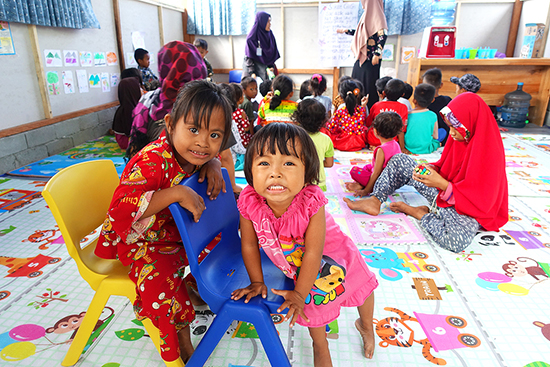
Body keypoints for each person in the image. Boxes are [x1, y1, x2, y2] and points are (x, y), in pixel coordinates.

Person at [95, 80, 233, 363]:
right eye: (193, 130)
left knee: (220, 240)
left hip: (172, 234)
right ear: (170, 124)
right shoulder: (152, 160)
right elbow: (120, 210)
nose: (203, 143)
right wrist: (176, 193)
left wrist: (214, 163)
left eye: (215, 135)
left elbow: (210, 155)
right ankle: (180, 338)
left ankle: (194, 287)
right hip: (140, 242)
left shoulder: (195, 155)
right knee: (161, 283)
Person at [232, 123, 378, 366]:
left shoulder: (311, 200)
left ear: (307, 172)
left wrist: (298, 294)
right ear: (249, 170)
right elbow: (248, 245)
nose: (275, 173)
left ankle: (366, 324)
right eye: (264, 163)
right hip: (296, 263)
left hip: (334, 253)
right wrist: (257, 282)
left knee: (363, 286)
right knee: (314, 307)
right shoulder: (249, 200)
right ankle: (320, 344)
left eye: (288, 163)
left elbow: (314, 251)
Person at [344, 92, 508, 253]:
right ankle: (375, 200)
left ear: (471, 124)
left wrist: (442, 184)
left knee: (456, 240)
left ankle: (419, 213)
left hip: (464, 208)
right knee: (399, 160)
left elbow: (482, 201)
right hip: (443, 194)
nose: (451, 133)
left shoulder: (489, 151)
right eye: (450, 127)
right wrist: (433, 169)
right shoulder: (460, 138)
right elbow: (445, 165)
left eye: (455, 128)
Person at [337, 0, 388, 110]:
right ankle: (353, 109)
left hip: (370, 61)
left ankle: (367, 112)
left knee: (368, 87)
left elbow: (383, 35)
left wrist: (377, 54)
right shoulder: (366, 16)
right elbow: (362, 34)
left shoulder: (378, 16)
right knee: (356, 83)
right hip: (361, 59)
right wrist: (346, 31)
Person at [346, 112, 402, 197]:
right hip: (393, 183)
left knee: (354, 170)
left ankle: (364, 186)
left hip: (382, 183)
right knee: (368, 167)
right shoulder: (396, 144)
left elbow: (376, 173)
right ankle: (365, 184)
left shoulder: (381, 150)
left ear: (375, 131)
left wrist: (366, 191)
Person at [292, 99, 334, 191]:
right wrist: (316, 163)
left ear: (298, 117)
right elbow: (329, 163)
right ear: (323, 120)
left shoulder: (293, 138)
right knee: (318, 205)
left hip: (297, 182)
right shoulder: (326, 139)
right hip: (318, 183)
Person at [366, 78, 408, 151]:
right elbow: (401, 130)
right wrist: (402, 148)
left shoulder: (376, 105)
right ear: (402, 95)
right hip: (391, 141)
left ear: (384, 92)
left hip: (373, 140)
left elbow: (368, 123)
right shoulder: (403, 107)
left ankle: (377, 148)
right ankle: (385, 148)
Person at [326, 79, 368, 151]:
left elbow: (332, 129)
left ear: (341, 96)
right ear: (357, 94)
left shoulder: (340, 111)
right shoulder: (362, 109)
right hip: (359, 142)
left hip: (343, 142)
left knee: (325, 130)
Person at [243, 11, 280, 83]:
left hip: (266, 69)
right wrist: (252, 73)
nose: (270, 24)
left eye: (270, 21)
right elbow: (248, 57)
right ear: (262, 22)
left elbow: (272, 53)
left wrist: (271, 66)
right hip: (252, 68)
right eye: (268, 22)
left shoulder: (270, 35)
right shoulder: (251, 38)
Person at [404, 83, 440, 154]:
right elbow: (435, 136)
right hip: (425, 149)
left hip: (408, 148)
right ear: (432, 100)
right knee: (437, 142)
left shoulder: (406, 114)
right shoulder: (433, 115)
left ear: (414, 100)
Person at [423, 68, 452, 145]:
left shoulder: (422, 104)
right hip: (446, 141)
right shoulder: (448, 100)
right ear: (441, 85)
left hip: (427, 142)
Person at [112, 76, 141, 150]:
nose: (141, 90)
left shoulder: (131, 107)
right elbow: (130, 131)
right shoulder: (128, 110)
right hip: (126, 140)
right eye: (139, 88)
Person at [231, 83, 253, 147]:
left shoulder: (226, 112)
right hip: (242, 141)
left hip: (230, 141)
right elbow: (246, 129)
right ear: (240, 99)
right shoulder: (241, 112)